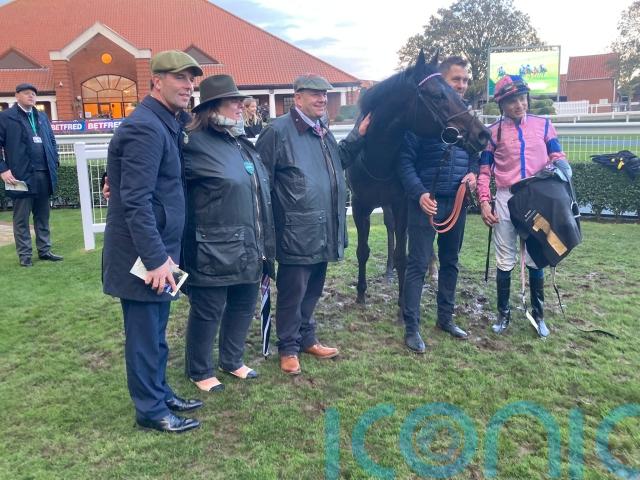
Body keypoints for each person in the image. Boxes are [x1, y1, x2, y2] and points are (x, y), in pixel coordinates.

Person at [102, 50, 204, 433]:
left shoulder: (166, 122)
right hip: (144, 256)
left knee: (157, 331)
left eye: (191, 79)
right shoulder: (146, 126)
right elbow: (135, 201)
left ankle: (160, 393)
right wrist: (157, 259)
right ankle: (150, 410)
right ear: (156, 81)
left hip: (161, 251)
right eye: (180, 78)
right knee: (145, 335)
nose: (188, 85)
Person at [255, 74, 356, 375]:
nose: (322, 99)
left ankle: (307, 337)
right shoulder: (277, 132)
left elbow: (336, 163)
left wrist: (360, 137)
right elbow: (261, 183)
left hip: (323, 228)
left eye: (324, 94)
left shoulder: (322, 129)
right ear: (297, 98)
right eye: (315, 94)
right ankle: (288, 347)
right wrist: (266, 232)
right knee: (293, 292)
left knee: (313, 288)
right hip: (294, 231)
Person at [182, 74, 275, 392]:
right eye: (233, 101)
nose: (240, 106)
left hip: (250, 243)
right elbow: (160, 176)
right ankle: (199, 369)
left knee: (243, 302)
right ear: (212, 107)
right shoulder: (192, 143)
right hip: (212, 246)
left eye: (240, 100)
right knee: (209, 308)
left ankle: (232, 359)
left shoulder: (240, 143)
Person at [397, 56, 479, 353]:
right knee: (418, 264)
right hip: (426, 204)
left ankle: (445, 318)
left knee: (450, 262)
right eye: (456, 79)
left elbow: (475, 154)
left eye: (465, 80)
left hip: (456, 202)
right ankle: (412, 328)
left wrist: (473, 173)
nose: (462, 85)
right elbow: (404, 161)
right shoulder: (421, 116)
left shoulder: (466, 118)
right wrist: (420, 194)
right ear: (442, 81)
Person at [478, 74, 567, 338]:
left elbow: (558, 156)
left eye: (521, 98)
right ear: (501, 105)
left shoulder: (544, 125)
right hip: (506, 199)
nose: (519, 105)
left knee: (536, 256)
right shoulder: (492, 133)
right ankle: (503, 313)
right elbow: (484, 171)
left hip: (537, 198)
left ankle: (539, 315)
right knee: (505, 259)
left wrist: (562, 169)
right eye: (511, 101)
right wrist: (484, 202)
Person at [0, 83, 62, 267]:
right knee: (21, 218)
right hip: (20, 176)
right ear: (17, 95)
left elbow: (51, 141)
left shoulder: (41, 116)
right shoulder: (6, 117)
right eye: (27, 93)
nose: (31, 96)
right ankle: (25, 255)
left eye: (34, 94)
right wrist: (3, 169)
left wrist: (55, 161)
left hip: (44, 174)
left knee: (43, 216)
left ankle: (45, 250)